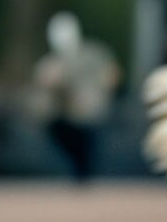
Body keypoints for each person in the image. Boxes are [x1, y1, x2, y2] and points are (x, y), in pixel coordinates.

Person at [31, 13, 120, 181]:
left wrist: (100, 90)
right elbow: (43, 86)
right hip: (66, 117)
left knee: (87, 145)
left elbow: (112, 75)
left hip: (91, 116)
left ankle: (84, 173)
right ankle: (80, 171)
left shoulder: (94, 54)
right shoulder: (51, 63)